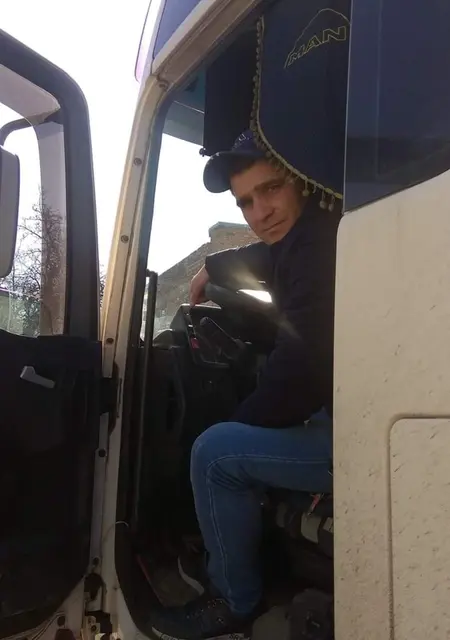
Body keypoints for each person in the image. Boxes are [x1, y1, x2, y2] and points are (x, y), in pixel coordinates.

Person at [151, 130, 340, 640]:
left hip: (356, 439)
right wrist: (214, 265)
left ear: (301, 181)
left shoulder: (319, 249)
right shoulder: (313, 236)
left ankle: (233, 600)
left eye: (271, 189)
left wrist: (241, 424)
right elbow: (268, 256)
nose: (260, 212)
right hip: (346, 412)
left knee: (215, 453)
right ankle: (232, 548)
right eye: (245, 202)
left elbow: (299, 375)